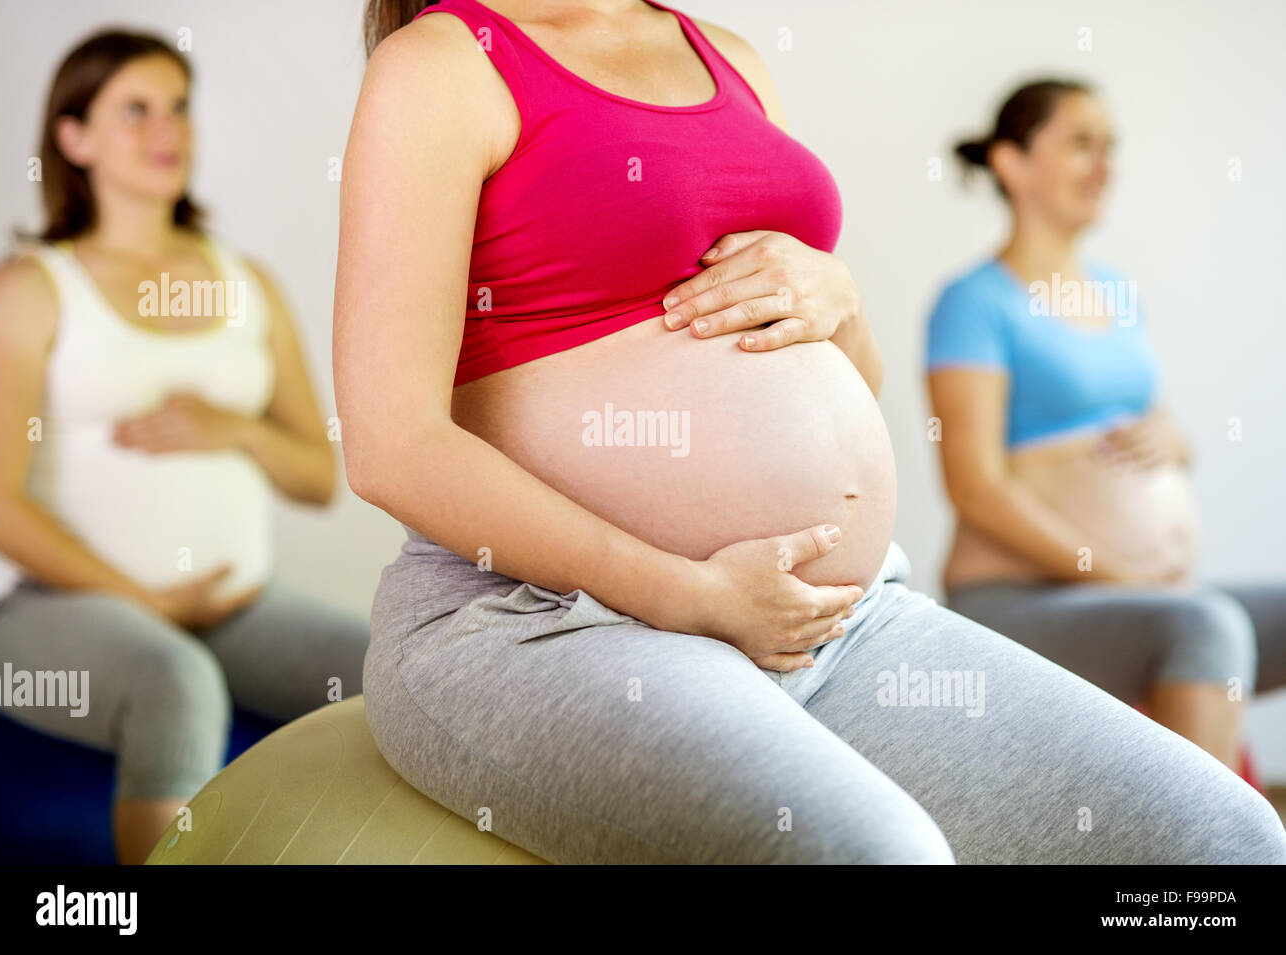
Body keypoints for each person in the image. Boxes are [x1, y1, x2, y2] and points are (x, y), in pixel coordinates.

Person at [338, 1, 1286, 863]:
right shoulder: (448, 64)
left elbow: (853, 380)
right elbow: (393, 445)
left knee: (1218, 839)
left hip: (836, 622)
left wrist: (840, 298)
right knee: (876, 855)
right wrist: (692, 593)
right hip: (542, 619)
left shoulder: (732, 61)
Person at [0, 30, 370, 865]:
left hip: (234, 606)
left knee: (394, 670)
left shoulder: (248, 283)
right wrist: (143, 600)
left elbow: (317, 476)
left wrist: (233, 427)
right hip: (49, 613)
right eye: (136, 109)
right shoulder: (30, 287)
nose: (168, 129)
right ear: (74, 136)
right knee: (175, 680)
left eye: (180, 107)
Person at [924, 78, 1286, 774]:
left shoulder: (1120, 295)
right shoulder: (972, 304)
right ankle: (1199, 870)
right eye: (1081, 143)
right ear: (1011, 162)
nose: (1105, 165)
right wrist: (1115, 572)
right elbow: (973, 484)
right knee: (1204, 624)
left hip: (1145, 593)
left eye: (1111, 146)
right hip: (1017, 602)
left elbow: (1151, 423)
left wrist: (1177, 440)